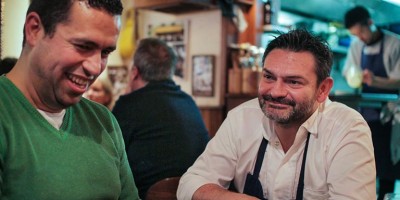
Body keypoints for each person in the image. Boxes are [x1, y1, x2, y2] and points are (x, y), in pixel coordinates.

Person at [177, 29, 376, 200]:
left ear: (322, 89)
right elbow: (191, 182)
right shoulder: (241, 118)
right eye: (269, 77)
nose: (275, 92)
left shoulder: (347, 129)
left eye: (293, 81)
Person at [0, 0, 139, 199]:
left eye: (105, 52)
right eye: (83, 46)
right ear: (34, 30)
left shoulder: (104, 121)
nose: (95, 67)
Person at [112, 38, 210, 199]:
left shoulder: (129, 105)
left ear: (135, 72)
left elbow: (111, 159)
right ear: (170, 71)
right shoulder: (188, 102)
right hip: (192, 194)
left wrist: (126, 96)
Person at [343, 6, 400, 199]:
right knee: (363, 162)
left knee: (387, 165)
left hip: (390, 113)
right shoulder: (356, 46)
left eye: (361, 32)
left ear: (370, 23)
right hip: (365, 112)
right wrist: (355, 77)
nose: (360, 38)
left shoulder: (395, 43)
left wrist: (373, 80)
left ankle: (386, 195)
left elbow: (398, 80)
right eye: (355, 35)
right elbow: (348, 72)